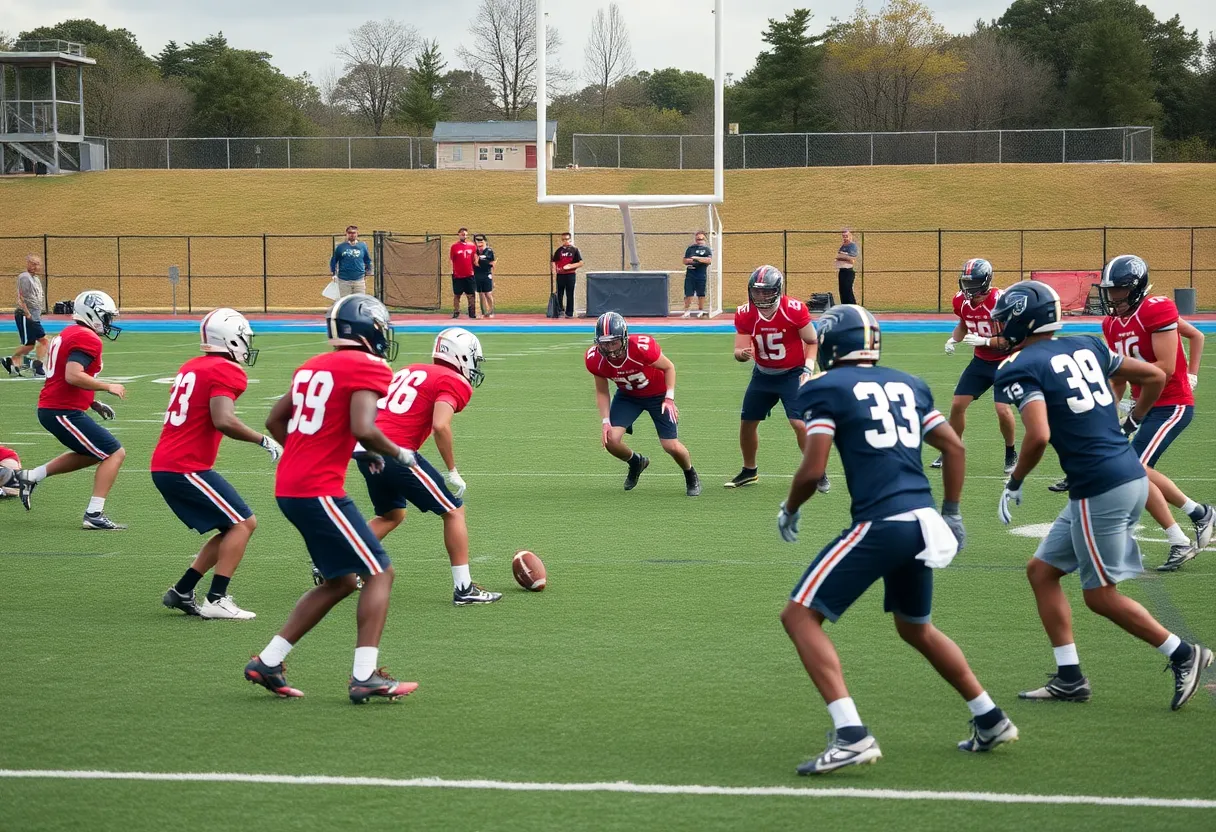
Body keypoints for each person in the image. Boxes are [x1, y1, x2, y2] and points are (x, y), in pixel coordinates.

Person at [777, 303, 1016, 775]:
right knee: (915, 627)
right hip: (923, 520)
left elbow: (814, 466)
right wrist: (951, 511)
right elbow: (954, 446)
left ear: (831, 344)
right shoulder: (910, 383)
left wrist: (791, 507)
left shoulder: (825, 387)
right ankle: (989, 717)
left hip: (881, 523)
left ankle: (851, 735)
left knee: (799, 617)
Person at [992, 280, 1212, 710]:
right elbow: (1153, 375)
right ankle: (1069, 677)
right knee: (1041, 572)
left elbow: (1037, 435)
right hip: (1120, 476)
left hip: (1101, 485)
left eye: (1007, 317)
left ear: (1023, 317)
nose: (1002, 326)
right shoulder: (1086, 344)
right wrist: (1134, 419)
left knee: (1100, 596)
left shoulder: (1017, 365)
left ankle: (1185, 654)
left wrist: (1015, 480)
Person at [244, 294, 419, 703]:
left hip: (291, 486)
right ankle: (365, 676)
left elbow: (274, 419)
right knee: (380, 572)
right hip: (318, 489)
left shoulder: (312, 365)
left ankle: (267, 662)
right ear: (369, 328)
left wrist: (310, 452)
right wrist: (398, 452)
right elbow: (363, 426)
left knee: (341, 580)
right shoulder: (369, 365)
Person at [356, 327, 501, 606]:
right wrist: (452, 469)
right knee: (454, 511)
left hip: (365, 449)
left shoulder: (410, 369)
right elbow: (440, 425)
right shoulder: (453, 381)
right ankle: (464, 589)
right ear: (462, 356)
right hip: (394, 451)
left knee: (391, 514)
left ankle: (334, 561)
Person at [156, 309, 283, 621]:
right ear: (230, 338)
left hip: (172, 463)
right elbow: (223, 420)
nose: (247, 344)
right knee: (244, 523)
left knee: (231, 526)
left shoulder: (192, 366)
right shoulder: (226, 370)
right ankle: (216, 598)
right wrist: (262, 439)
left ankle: (183, 590)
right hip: (184, 466)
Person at [1091, 255, 1212, 571]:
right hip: (1142, 404)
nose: (1113, 297)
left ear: (1134, 287)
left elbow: (1166, 369)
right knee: (1132, 474)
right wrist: (1105, 408)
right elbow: (1119, 376)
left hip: (1170, 403)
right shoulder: (1111, 323)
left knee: (1135, 468)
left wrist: (1132, 415)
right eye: (1110, 290)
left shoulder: (1156, 309)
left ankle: (1196, 519)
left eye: (1118, 290)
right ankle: (1187, 529)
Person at [13, 290, 128, 530]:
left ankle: (31, 477)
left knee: (95, 452)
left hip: (59, 408)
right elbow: (73, 375)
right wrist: (108, 386)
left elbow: (62, 376)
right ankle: (94, 514)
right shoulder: (87, 337)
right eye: (106, 317)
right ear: (93, 314)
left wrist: (92, 402)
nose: (109, 323)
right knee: (115, 453)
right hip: (60, 410)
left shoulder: (70, 333)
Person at [727, 266, 826, 492]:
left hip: (793, 373)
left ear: (778, 290)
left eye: (766, 291)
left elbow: (812, 341)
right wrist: (742, 354)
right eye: (757, 291)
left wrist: (808, 369)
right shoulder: (744, 312)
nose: (761, 296)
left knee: (799, 423)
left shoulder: (794, 309)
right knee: (747, 424)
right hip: (762, 374)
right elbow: (739, 349)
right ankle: (749, 471)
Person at [585, 311, 701, 496]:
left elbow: (669, 367)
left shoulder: (641, 347)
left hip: (658, 396)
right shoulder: (595, 359)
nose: (610, 348)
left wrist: (669, 398)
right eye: (605, 343)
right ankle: (636, 462)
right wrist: (605, 421)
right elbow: (602, 390)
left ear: (623, 338)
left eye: (614, 342)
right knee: (611, 440)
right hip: (628, 396)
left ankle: (690, 473)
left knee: (670, 445)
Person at [936, 259, 1018, 474]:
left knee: (1002, 409)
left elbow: (1010, 339)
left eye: (972, 283)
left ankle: (1011, 453)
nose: (967, 288)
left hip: (1005, 362)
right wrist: (953, 339)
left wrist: (986, 341)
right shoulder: (961, 301)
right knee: (957, 404)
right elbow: (964, 322)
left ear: (985, 282)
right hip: (981, 362)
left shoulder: (999, 301)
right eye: (965, 282)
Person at [4, 254, 48, 378]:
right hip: (26, 315)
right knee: (44, 341)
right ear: (27, 264)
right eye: (32, 263)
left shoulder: (36, 279)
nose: (35, 266)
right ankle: (38, 367)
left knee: (30, 345)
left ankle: (11, 361)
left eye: (37, 264)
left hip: (33, 316)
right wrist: (27, 313)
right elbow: (22, 297)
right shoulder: (25, 277)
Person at [328, 225, 373, 297]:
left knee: (359, 301)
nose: (352, 235)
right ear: (346, 234)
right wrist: (334, 273)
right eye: (350, 233)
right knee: (346, 302)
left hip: (359, 280)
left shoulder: (362, 246)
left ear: (357, 234)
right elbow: (333, 261)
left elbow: (367, 260)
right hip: (344, 281)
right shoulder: (340, 247)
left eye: (354, 233)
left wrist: (368, 271)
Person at [681, 231, 713, 318]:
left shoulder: (707, 249)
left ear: (704, 239)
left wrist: (696, 258)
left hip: (701, 273)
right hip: (690, 273)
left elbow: (708, 260)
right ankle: (687, 311)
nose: (699, 241)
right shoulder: (690, 249)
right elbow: (685, 261)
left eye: (701, 239)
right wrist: (697, 260)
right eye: (697, 239)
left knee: (701, 293)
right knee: (688, 293)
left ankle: (701, 310)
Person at [551, 232, 583, 319]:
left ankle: (569, 313)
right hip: (560, 275)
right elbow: (554, 261)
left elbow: (580, 263)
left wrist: (570, 266)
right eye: (563, 239)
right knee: (560, 293)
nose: (565, 241)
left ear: (570, 239)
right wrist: (554, 270)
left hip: (570, 275)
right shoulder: (559, 250)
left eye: (567, 239)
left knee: (570, 293)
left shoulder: (575, 250)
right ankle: (560, 310)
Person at [449, 227, 478, 319]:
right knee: (457, 295)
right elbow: (451, 259)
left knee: (471, 295)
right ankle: (456, 311)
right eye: (462, 234)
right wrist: (452, 271)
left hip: (469, 274)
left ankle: (472, 313)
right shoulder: (454, 247)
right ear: (459, 235)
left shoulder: (472, 246)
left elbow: (474, 259)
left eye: (465, 234)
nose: (464, 235)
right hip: (458, 275)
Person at [473, 234, 496, 319]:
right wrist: (480, 260)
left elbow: (492, 263)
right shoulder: (475, 252)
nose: (480, 244)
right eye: (478, 242)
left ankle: (491, 311)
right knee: (481, 294)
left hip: (486, 274)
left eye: (481, 242)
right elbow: (476, 263)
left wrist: (484, 261)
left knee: (488, 293)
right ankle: (483, 312)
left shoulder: (489, 251)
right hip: (478, 275)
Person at [834, 229, 859, 306]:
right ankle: (844, 306)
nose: (845, 238)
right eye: (843, 236)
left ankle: (853, 306)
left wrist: (842, 255)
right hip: (841, 271)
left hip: (848, 271)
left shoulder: (852, 245)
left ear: (850, 236)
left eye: (846, 236)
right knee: (842, 290)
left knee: (848, 290)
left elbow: (852, 258)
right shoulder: (842, 246)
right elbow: (838, 256)